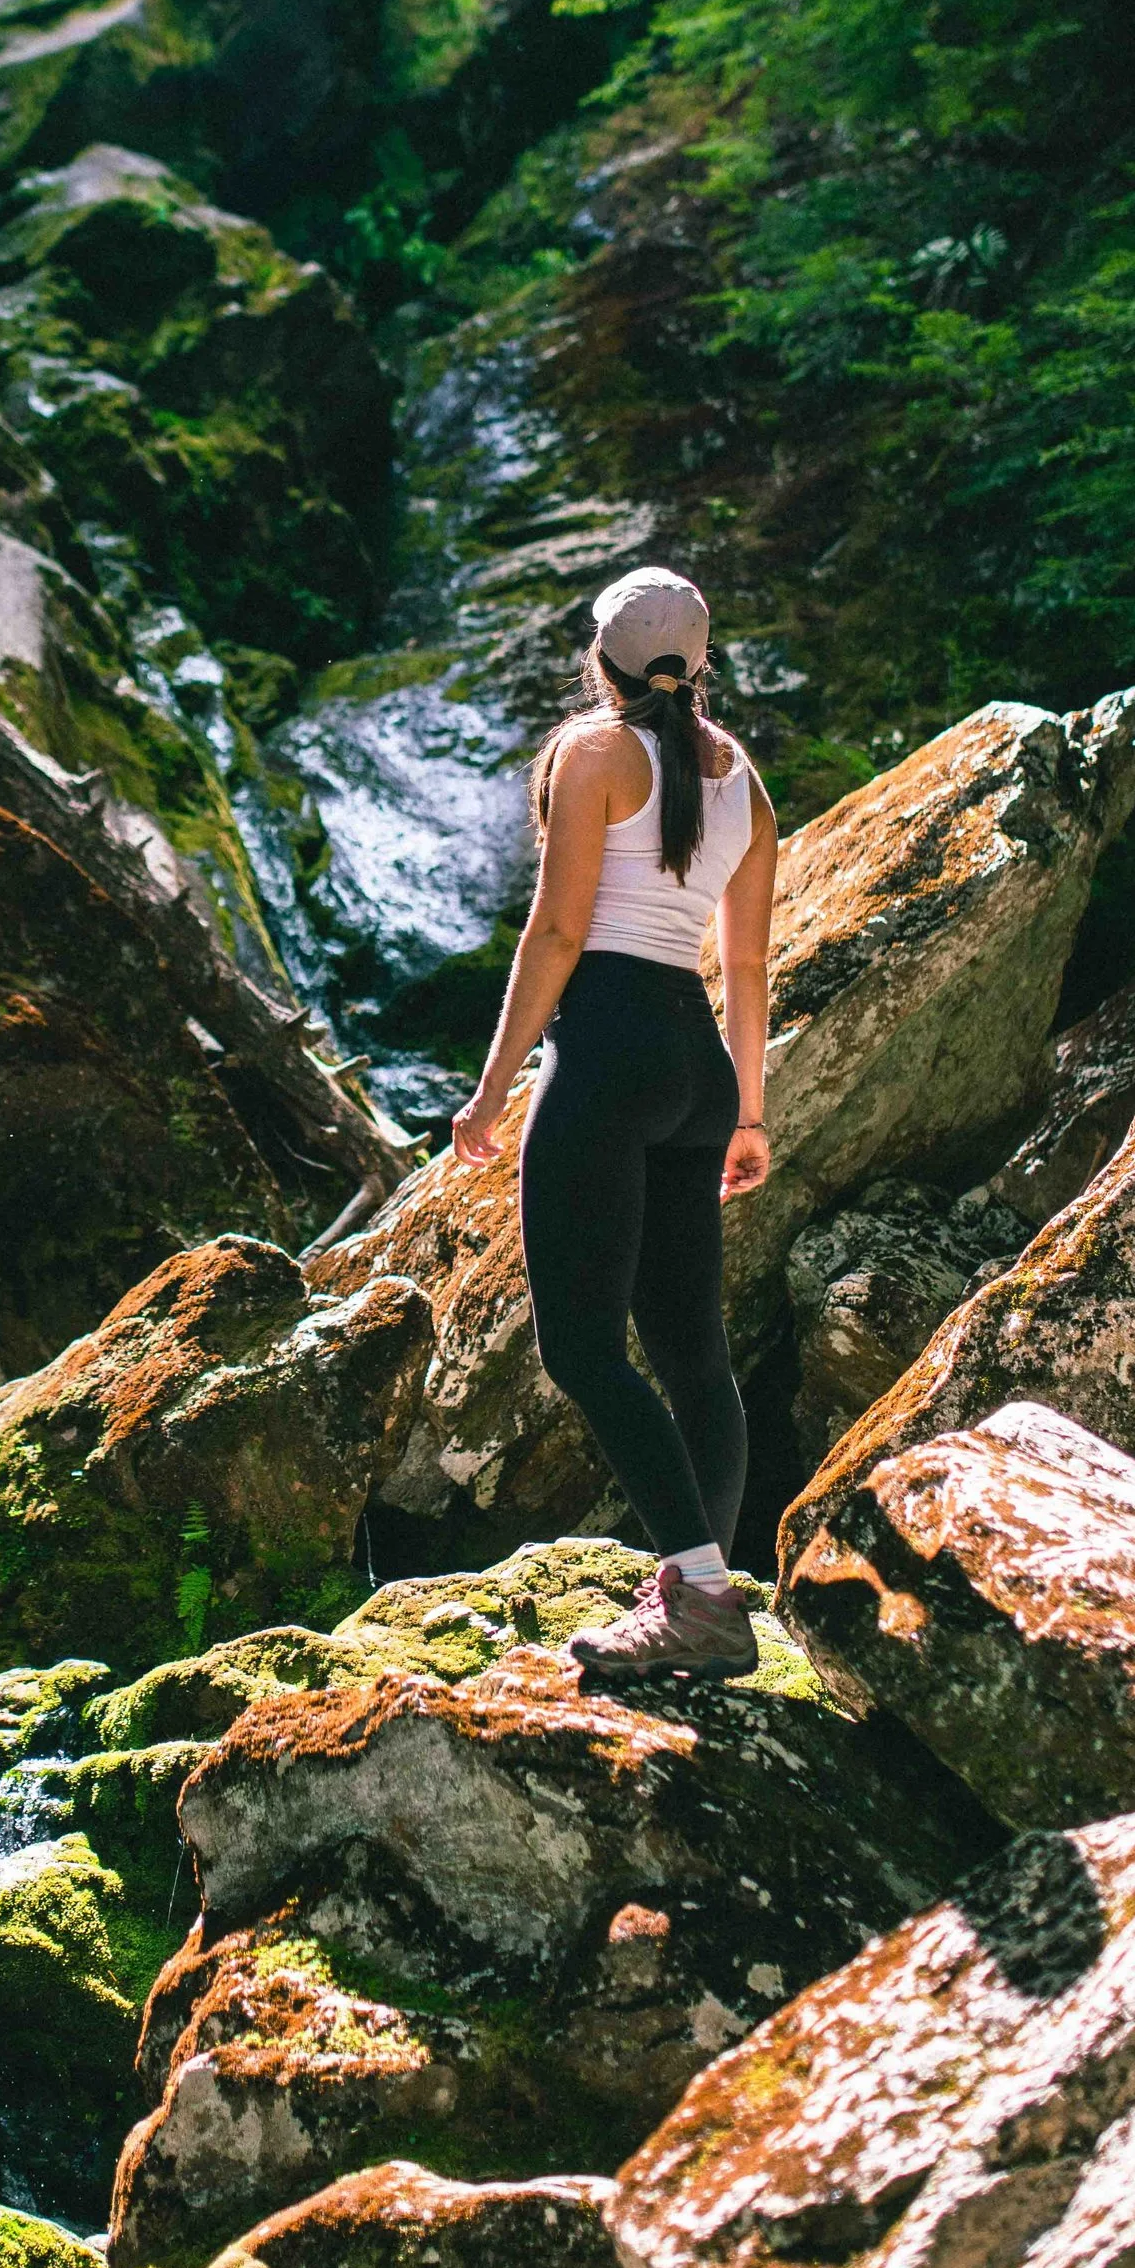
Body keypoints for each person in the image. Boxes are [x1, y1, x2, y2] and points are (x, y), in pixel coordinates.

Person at [450, 566, 778, 1678]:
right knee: (692, 1351)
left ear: (601, 661)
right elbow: (744, 961)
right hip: (693, 1063)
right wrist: (749, 1113)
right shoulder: (739, 776)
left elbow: (555, 934)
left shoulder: (592, 753)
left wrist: (491, 1089)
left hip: (608, 1051)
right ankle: (703, 1586)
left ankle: (694, 1596)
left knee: (583, 1349)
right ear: (700, 658)